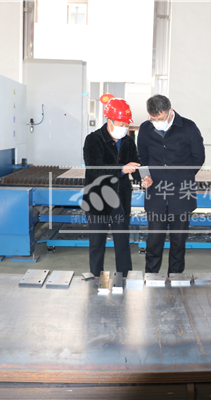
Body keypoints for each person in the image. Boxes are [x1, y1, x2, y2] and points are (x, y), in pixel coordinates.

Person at [137, 95, 205, 274]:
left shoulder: (188, 127)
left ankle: (175, 278)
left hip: (182, 194)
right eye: (153, 119)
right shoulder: (145, 129)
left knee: (178, 242)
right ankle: (151, 277)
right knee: (154, 241)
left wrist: (182, 177)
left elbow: (198, 157)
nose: (157, 122)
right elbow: (142, 158)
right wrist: (145, 177)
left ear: (170, 111)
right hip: (156, 193)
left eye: (160, 118)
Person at [82, 98, 141, 277]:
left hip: (120, 200)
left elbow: (135, 164)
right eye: (121, 124)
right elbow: (95, 168)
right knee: (97, 244)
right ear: (110, 121)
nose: (124, 128)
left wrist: (142, 178)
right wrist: (121, 169)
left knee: (122, 243)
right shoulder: (93, 140)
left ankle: (125, 277)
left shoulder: (128, 141)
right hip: (98, 199)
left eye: (126, 125)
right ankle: (95, 277)